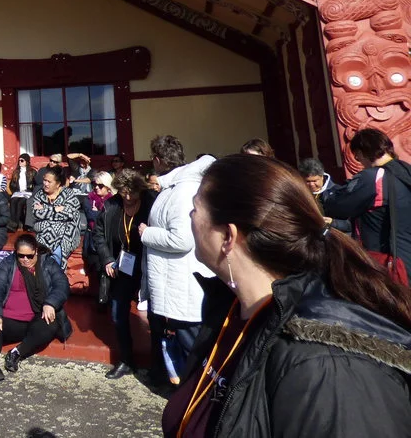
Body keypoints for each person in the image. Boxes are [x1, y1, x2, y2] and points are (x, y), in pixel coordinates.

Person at [161, 154, 411, 437]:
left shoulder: (328, 367)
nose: (190, 218)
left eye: (195, 208)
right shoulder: (231, 309)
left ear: (228, 237)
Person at [139, 135, 215, 388]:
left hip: (181, 283)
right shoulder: (174, 186)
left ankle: (196, 394)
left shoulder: (183, 191)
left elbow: (182, 239)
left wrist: (146, 233)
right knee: (177, 341)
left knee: (189, 344)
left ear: (158, 160)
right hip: (170, 280)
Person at [0, 233, 73, 382]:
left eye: (29, 256)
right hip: (10, 319)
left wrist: (50, 303)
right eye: (21, 256)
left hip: (36, 318)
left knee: (51, 324)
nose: (25, 260)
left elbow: (62, 285)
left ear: (36, 251)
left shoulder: (47, 263)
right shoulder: (8, 263)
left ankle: (17, 352)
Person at [93, 169, 156, 379]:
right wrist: (107, 259)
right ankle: (126, 360)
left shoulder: (151, 203)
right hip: (122, 264)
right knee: (118, 312)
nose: (128, 198)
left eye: (132, 193)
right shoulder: (112, 205)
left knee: (155, 317)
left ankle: (159, 367)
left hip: (149, 263)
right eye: (123, 193)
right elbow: (99, 234)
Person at [322, 128, 411, 274]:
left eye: (357, 157)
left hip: (387, 261)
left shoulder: (374, 178)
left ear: (363, 152)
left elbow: (338, 206)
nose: (360, 162)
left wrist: (329, 192)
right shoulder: (406, 171)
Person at [32, 165, 84, 269]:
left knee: (59, 239)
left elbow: (70, 214)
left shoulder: (68, 194)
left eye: (49, 182)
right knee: (52, 229)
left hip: (68, 231)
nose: (45, 184)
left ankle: (55, 271)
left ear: (58, 184)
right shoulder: (39, 195)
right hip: (44, 230)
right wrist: (56, 209)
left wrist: (46, 210)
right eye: (44, 180)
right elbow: (36, 213)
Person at [297, 157, 352, 235]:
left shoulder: (338, 193)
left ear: (322, 177)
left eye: (314, 181)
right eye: (307, 181)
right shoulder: (300, 195)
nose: (311, 184)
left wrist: (333, 222)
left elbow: (350, 224)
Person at [8, 154, 37, 231]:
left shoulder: (32, 172)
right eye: (19, 160)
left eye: (22, 160)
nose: (20, 162)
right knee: (13, 201)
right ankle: (12, 223)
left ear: (27, 162)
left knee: (20, 202)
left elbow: (36, 183)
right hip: (18, 192)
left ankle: (16, 224)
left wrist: (32, 191)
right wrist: (15, 190)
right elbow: (12, 184)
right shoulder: (16, 172)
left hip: (28, 192)